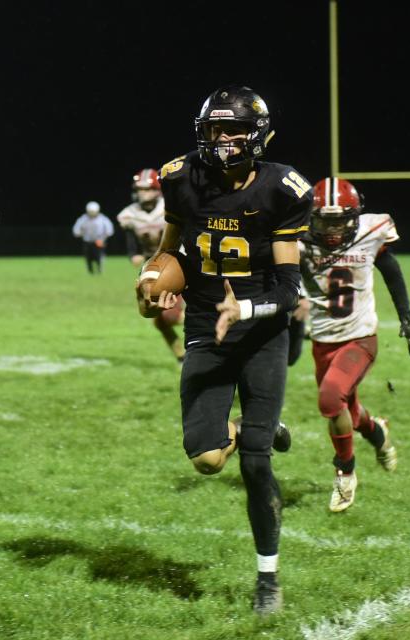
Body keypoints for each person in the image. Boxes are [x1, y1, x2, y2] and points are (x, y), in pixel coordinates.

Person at [137, 85, 310, 615]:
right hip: (203, 327)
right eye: (216, 129)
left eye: (235, 129)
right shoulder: (180, 178)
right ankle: (254, 426)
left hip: (261, 332)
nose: (225, 139)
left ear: (257, 135)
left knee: (255, 464)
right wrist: (152, 284)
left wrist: (246, 310)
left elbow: (288, 290)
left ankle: (267, 579)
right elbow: (169, 251)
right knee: (209, 460)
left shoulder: (282, 188)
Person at [299, 177, 410, 513]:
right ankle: (376, 432)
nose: (332, 229)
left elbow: (391, 269)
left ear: (354, 218)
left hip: (360, 338)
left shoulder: (372, 233)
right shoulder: (296, 240)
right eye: (324, 220)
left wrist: (406, 320)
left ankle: (345, 472)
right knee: (348, 412)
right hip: (322, 340)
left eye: (339, 220)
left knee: (329, 399)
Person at [118, 169, 185, 361]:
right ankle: (181, 357)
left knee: (169, 316)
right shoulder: (129, 214)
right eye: (139, 190)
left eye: (147, 189)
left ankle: (206, 321)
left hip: (175, 262)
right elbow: (131, 237)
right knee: (157, 318)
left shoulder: (169, 206)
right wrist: (134, 254)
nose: (142, 194)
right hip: (151, 265)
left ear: (157, 190)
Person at [72, 201, 113, 274]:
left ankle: (100, 269)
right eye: (90, 211)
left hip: (99, 241)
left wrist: (103, 238)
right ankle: (90, 271)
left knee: (99, 257)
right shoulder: (83, 219)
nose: (92, 213)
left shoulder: (103, 219)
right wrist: (80, 233)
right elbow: (76, 230)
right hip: (87, 241)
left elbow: (110, 230)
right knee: (88, 257)